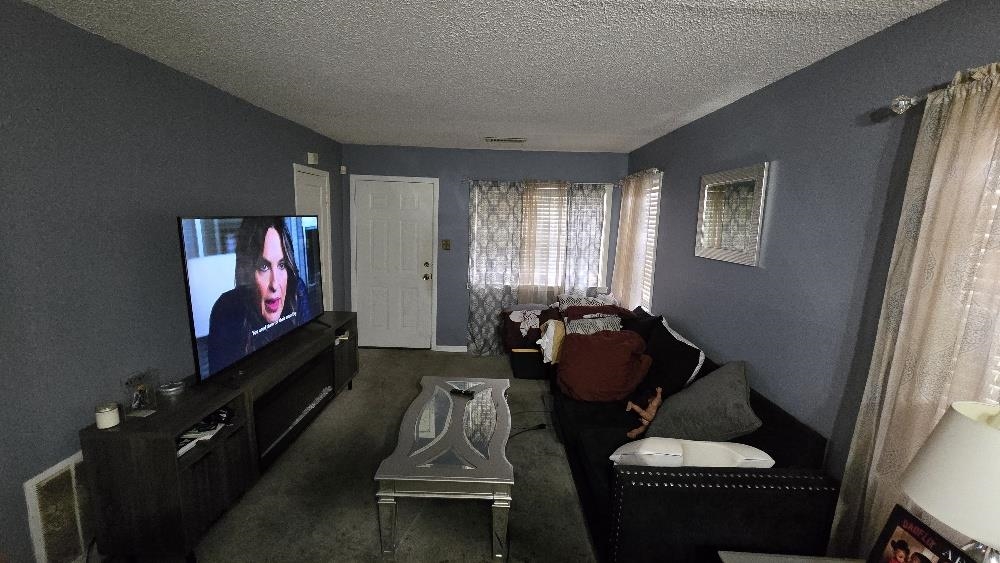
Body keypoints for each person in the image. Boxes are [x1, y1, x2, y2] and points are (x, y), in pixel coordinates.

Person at [207, 217, 311, 375]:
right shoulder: (225, 310)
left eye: (281, 265)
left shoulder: (296, 292)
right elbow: (220, 380)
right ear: (246, 269)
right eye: (263, 266)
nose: (274, 284)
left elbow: (308, 347)